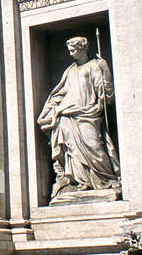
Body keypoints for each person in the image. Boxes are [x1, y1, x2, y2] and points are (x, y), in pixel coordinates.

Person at [37, 37, 120, 198]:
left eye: (73, 49)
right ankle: (80, 181)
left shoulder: (95, 66)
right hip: (67, 114)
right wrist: (49, 110)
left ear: (82, 48)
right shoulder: (70, 70)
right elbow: (60, 92)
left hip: (88, 112)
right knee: (72, 150)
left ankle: (106, 179)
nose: (70, 53)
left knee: (94, 144)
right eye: (69, 50)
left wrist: (106, 71)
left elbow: (106, 92)